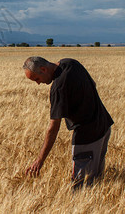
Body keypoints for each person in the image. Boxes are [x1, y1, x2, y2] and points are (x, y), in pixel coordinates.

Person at [23, 56, 114, 188]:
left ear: (43, 69)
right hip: (104, 124)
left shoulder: (58, 88)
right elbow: (93, 84)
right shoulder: (70, 63)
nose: (38, 83)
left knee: (80, 185)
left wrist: (40, 160)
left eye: (36, 78)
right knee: (96, 179)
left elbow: (53, 128)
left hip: (87, 135)